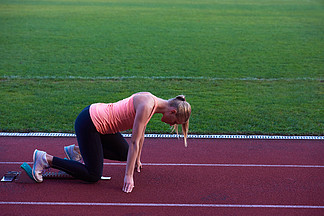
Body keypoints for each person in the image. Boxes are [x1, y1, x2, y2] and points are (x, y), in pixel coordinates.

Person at [32, 92, 191, 193]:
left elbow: (141, 135)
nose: (172, 125)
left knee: (125, 153)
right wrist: (128, 175)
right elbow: (134, 142)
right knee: (93, 175)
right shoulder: (147, 105)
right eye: (175, 121)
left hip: (100, 124)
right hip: (89, 123)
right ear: (172, 111)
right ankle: (45, 159)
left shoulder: (152, 102)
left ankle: (79, 151)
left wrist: (137, 159)